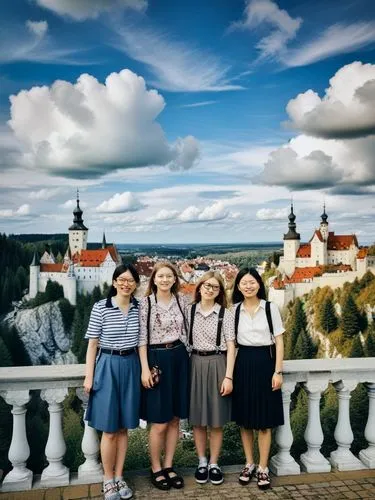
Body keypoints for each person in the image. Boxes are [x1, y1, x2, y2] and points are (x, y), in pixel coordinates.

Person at [83, 264, 141, 500]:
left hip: (131, 365)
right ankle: (108, 480)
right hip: (107, 364)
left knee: (124, 427)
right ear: (115, 282)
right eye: (121, 280)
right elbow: (92, 345)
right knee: (109, 429)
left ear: (136, 284)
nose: (126, 284)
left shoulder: (139, 308)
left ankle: (119, 475)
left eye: (130, 280)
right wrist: (89, 375)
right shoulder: (101, 307)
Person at [231, 267, 284, 491]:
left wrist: (278, 371)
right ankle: (249, 463)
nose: (248, 286)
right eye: (244, 282)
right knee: (245, 421)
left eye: (252, 282)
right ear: (238, 286)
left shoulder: (270, 308)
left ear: (259, 285)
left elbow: (280, 342)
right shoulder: (233, 310)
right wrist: (229, 375)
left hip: (265, 363)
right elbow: (231, 345)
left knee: (263, 422)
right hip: (242, 364)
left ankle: (263, 467)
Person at [138, 262, 190, 491]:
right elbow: (141, 339)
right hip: (156, 358)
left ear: (175, 279)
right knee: (159, 421)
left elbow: (189, 330)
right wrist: (144, 368)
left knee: (175, 418)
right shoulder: (146, 303)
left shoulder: (182, 301)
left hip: (179, 356)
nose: (166, 279)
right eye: (161, 276)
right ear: (154, 279)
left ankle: (169, 466)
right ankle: (156, 468)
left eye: (169, 276)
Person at [188, 271, 235, 486]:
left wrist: (228, 377)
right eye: (206, 285)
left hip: (218, 363)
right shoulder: (189, 310)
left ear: (219, 291)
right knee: (198, 420)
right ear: (199, 287)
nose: (210, 289)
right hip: (194, 363)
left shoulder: (225, 314)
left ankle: (214, 463)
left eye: (215, 287)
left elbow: (232, 347)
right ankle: (202, 461)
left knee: (216, 421)